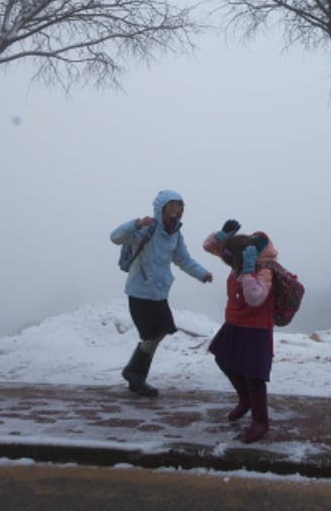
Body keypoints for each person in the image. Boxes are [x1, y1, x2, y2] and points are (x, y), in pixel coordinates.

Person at [109, 189, 213, 398]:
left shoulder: (175, 233)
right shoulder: (146, 228)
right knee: (151, 334)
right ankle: (135, 375)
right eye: (171, 204)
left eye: (179, 205)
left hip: (159, 292)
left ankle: (135, 374)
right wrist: (136, 223)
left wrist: (202, 274)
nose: (175, 209)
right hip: (140, 290)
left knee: (160, 331)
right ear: (161, 207)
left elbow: (183, 259)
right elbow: (115, 237)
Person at [202, 221, 278, 443]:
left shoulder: (263, 270)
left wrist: (247, 273)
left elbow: (256, 299)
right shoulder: (238, 261)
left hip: (256, 329)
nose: (224, 260)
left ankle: (260, 421)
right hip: (234, 323)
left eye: (228, 257)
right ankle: (244, 398)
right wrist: (221, 236)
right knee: (222, 357)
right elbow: (209, 247)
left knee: (254, 376)